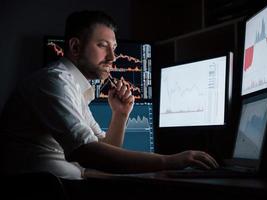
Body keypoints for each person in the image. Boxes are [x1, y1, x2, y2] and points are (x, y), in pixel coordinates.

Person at [0, 10, 218, 180]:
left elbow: (105, 152)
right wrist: (170, 161)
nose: (113, 57)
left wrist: (120, 115)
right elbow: (88, 153)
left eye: (114, 47)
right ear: (75, 47)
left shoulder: (75, 88)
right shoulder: (53, 82)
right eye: (103, 46)